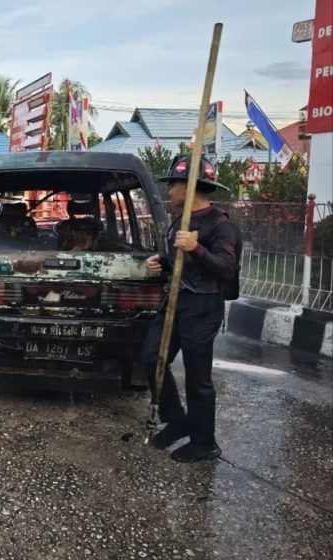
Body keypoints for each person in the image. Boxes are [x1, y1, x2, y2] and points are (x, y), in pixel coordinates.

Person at [141, 155, 238, 463]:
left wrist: (195, 247)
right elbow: (179, 262)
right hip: (175, 301)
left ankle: (204, 441)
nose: (170, 192)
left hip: (202, 307)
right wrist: (162, 261)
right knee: (151, 358)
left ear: (189, 186)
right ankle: (176, 419)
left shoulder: (220, 225)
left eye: (173, 185)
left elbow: (226, 268)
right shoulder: (179, 221)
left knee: (198, 377)